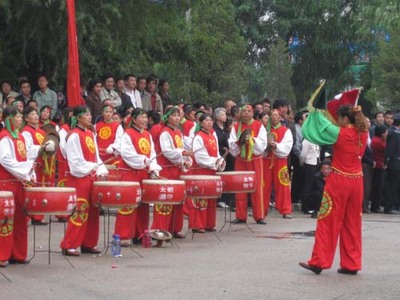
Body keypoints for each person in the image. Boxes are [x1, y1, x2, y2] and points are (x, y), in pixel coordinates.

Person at [299, 104, 368, 275]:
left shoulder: (340, 133)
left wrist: (314, 110)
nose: (337, 121)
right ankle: (351, 264)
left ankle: (319, 261)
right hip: (357, 181)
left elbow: (321, 125)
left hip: (339, 180)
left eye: (339, 118)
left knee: (328, 221)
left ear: (345, 119)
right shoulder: (364, 133)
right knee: (352, 223)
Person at [0, 106, 47, 266]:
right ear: (8, 119)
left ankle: (18, 254)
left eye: (21, 117)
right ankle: (2, 255)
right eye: (17, 117)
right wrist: (25, 169)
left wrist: (29, 169)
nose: (20, 120)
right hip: (7, 185)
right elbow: (5, 160)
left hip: (19, 183)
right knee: (6, 221)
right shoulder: (4, 137)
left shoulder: (19, 136)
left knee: (21, 220)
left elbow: (26, 153)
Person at [60, 106, 108, 256]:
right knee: (79, 211)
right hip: (79, 178)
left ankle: (89, 243)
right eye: (86, 114)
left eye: (89, 114)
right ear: (78, 117)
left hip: (91, 176)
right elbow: (75, 162)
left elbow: (96, 157)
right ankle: (69, 244)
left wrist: (101, 170)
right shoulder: (74, 135)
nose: (89, 117)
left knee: (93, 211)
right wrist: (93, 166)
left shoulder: (90, 133)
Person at [114, 108, 161, 245]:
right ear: (133, 119)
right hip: (130, 172)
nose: (145, 120)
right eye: (141, 117)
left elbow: (152, 153)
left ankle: (140, 234)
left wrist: (152, 167)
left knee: (143, 206)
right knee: (128, 205)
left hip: (143, 172)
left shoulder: (147, 134)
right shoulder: (127, 134)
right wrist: (143, 160)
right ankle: (123, 235)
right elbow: (127, 154)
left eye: (146, 117)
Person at [151, 106, 192, 238]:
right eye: (174, 115)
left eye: (178, 115)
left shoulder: (178, 132)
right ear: (167, 117)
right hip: (166, 170)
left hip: (176, 169)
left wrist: (185, 159)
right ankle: (160, 229)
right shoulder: (165, 132)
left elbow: (180, 149)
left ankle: (175, 228)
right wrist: (182, 154)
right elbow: (167, 151)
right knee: (165, 200)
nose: (177, 118)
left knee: (177, 200)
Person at [228, 104, 268, 224]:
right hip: (241, 159)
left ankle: (259, 216)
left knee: (257, 187)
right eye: (244, 111)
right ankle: (241, 216)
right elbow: (231, 141)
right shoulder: (236, 126)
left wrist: (252, 140)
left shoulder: (259, 125)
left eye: (248, 111)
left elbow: (263, 142)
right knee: (240, 188)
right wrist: (238, 142)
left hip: (255, 159)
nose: (246, 113)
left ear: (252, 113)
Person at [189, 113, 225, 232]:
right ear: (201, 122)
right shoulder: (198, 137)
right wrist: (215, 161)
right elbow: (200, 157)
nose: (209, 123)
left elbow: (217, 152)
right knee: (200, 199)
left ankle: (209, 223)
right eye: (206, 120)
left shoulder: (212, 136)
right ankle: (198, 225)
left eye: (211, 120)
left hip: (211, 171)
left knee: (211, 198)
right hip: (201, 171)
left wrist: (220, 159)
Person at [263, 109, 293, 218]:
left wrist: (276, 146)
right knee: (264, 186)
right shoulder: (265, 130)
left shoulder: (286, 131)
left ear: (280, 117)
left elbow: (287, 146)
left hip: (280, 161)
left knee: (283, 185)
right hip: (266, 160)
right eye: (272, 115)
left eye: (276, 115)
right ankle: (262, 209)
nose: (274, 117)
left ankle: (285, 210)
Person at [370, 125, 387, 213]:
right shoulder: (378, 141)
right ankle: (375, 205)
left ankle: (376, 205)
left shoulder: (377, 139)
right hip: (379, 165)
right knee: (377, 187)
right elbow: (385, 149)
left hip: (379, 164)